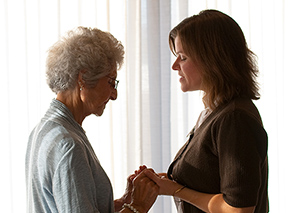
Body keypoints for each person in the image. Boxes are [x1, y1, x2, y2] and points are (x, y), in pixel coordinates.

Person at [143, 9, 269, 213]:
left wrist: (177, 190)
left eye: (182, 57)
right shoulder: (214, 113)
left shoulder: (234, 119)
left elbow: (238, 210)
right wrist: (168, 183)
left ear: (212, 59)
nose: (175, 65)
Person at [25, 26, 158, 213]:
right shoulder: (68, 145)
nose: (114, 95)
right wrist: (139, 206)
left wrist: (124, 202)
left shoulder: (44, 130)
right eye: (111, 82)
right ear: (83, 78)